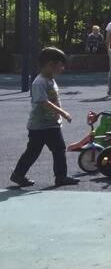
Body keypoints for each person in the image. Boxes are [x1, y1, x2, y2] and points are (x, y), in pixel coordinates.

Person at [10, 47, 78, 187]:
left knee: (56, 149)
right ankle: (19, 175)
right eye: (61, 65)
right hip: (40, 125)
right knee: (36, 151)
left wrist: (57, 117)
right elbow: (44, 102)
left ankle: (59, 176)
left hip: (50, 124)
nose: (62, 68)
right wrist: (63, 113)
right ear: (50, 65)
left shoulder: (50, 80)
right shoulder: (39, 82)